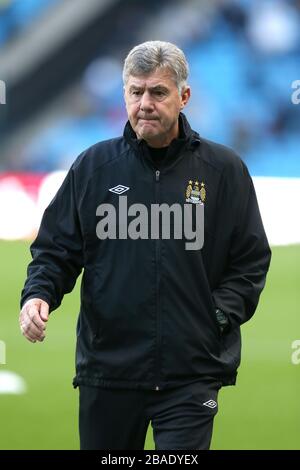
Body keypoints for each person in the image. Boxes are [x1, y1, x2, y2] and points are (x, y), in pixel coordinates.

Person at [19, 41, 271, 450]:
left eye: (158, 92)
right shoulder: (93, 167)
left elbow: (250, 261)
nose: (145, 104)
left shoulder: (223, 171)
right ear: (124, 95)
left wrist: (216, 318)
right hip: (109, 372)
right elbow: (55, 249)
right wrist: (38, 295)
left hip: (191, 374)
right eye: (136, 92)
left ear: (184, 96)